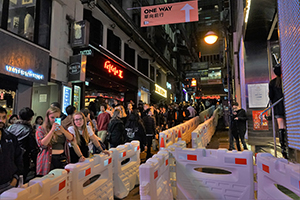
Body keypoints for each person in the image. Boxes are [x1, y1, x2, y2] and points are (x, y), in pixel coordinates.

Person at [36, 106, 84, 176]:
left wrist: (63, 131)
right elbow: (42, 144)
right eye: (52, 117)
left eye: (57, 117)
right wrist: (52, 131)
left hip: (62, 158)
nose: (55, 119)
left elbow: (71, 139)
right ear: (48, 118)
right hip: (48, 159)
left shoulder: (62, 128)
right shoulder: (41, 129)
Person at [7, 107, 38, 183]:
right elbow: (32, 148)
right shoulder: (29, 130)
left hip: (9, 157)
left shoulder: (11, 127)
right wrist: (36, 162)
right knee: (21, 181)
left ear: (18, 116)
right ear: (31, 118)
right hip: (23, 159)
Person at [0, 106, 23, 194]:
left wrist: (16, 177)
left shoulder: (10, 137)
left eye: (3, 117)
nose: (1, 121)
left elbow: (18, 158)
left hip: (8, 183)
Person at [269, 64, 287, 159]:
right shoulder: (286, 81)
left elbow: (271, 96)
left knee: (281, 126)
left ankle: (283, 148)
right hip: (287, 106)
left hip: (278, 107)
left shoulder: (272, 83)